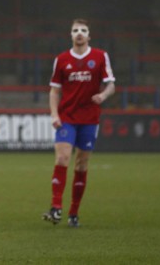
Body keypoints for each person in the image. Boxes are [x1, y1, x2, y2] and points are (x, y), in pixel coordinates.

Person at [42, 18, 115, 228]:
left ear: (89, 36)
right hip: (67, 118)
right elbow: (55, 90)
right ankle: (56, 207)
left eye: (83, 30)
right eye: (75, 30)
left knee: (81, 164)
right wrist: (54, 114)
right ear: (71, 35)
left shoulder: (101, 56)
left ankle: (74, 212)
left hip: (90, 119)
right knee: (63, 157)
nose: (79, 33)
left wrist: (103, 95)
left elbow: (111, 85)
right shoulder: (62, 59)